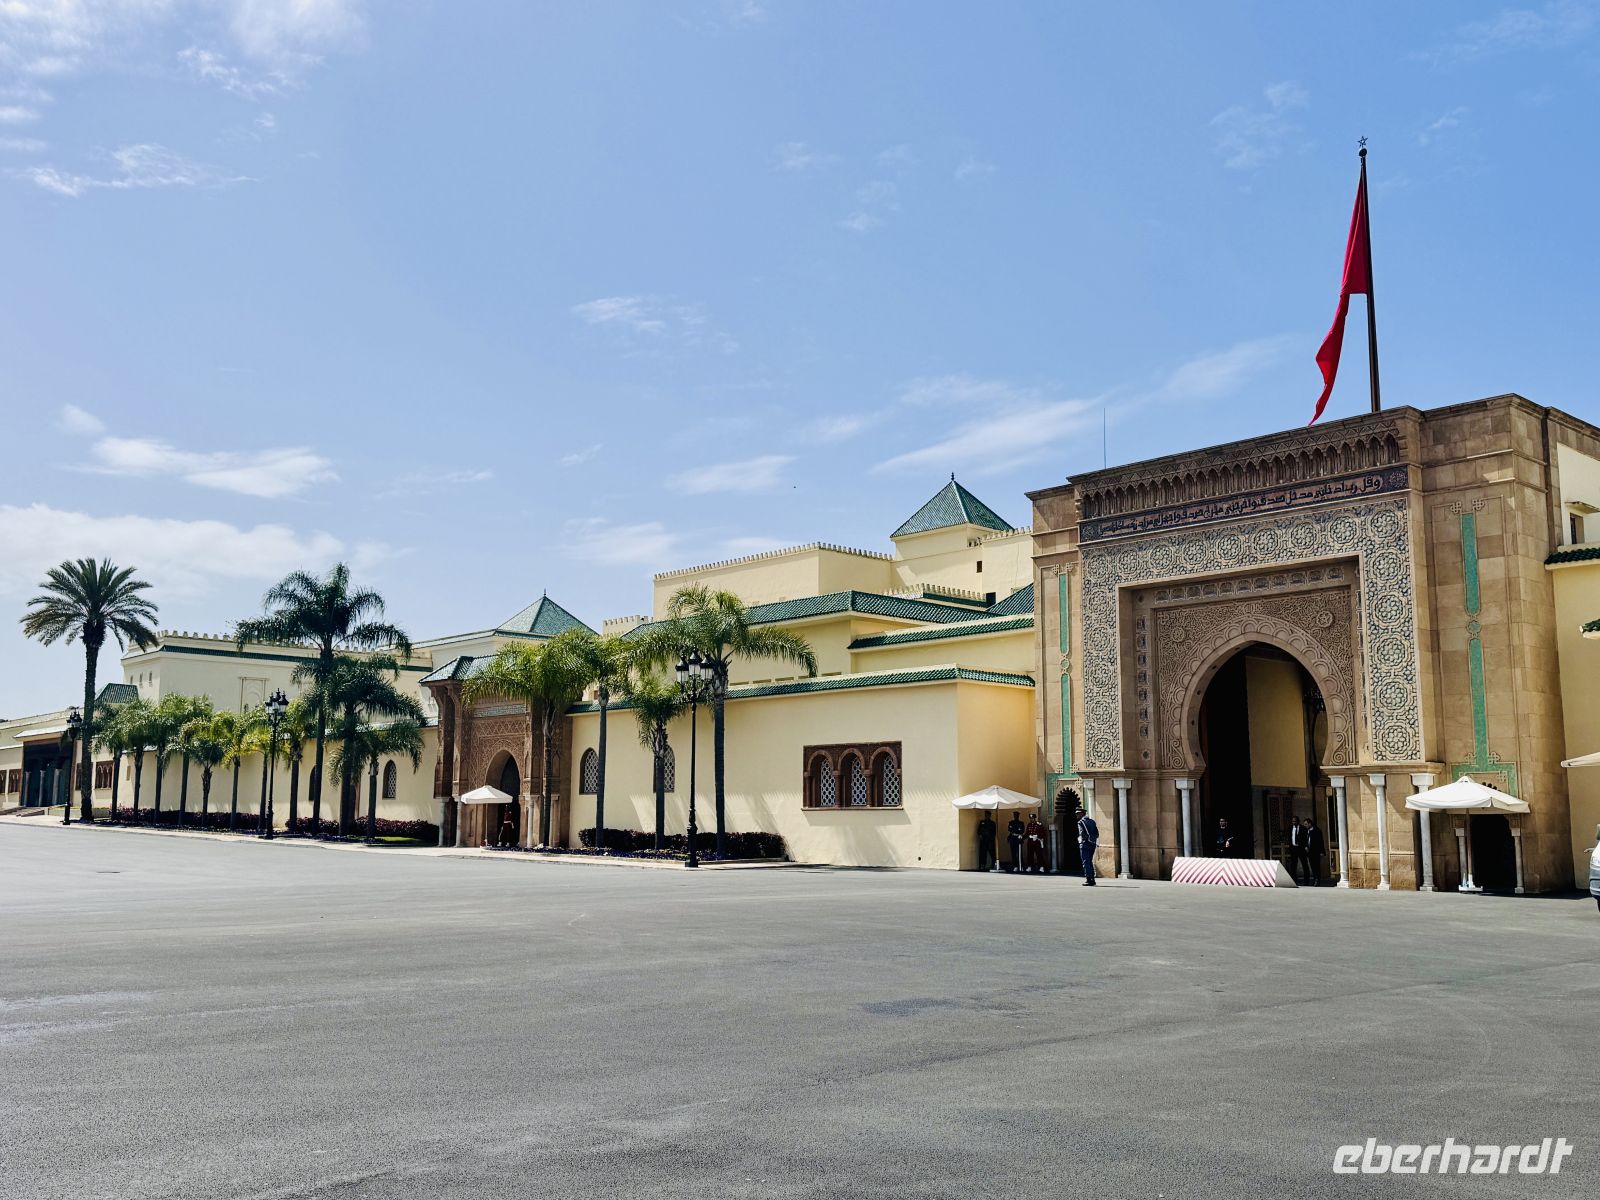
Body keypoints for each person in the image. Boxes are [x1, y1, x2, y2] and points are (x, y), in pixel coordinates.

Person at [1076, 805, 1099, 885]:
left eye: (1078, 813)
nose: (1077, 815)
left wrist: (1081, 839)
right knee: (1090, 861)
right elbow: (1097, 833)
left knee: (1086, 861)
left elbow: (1082, 833)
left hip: (1085, 844)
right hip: (1092, 844)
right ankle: (1092, 879)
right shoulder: (1092, 821)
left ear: (1082, 814)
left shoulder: (1080, 822)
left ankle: (1088, 879)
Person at [1303, 817, 1325, 885]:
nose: (1305, 826)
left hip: (1316, 851)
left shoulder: (1317, 831)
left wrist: (1322, 851)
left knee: (1316, 866)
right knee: (1312, 866)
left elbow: (1321, 841)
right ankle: (1315, 879)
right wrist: (1306, 846)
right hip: (1309, 852)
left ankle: (1317, 880)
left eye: (1306, 824)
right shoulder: (1306, 831)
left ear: (1310, 824)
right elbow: (1305, 840)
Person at [1289, 817, 1311, 883]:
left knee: (1304, 864)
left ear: (1298, 821)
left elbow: (1306, 838)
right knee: (1293, 865)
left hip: (1301, 849)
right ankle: (1294, 880)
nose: (1294, 823)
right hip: (1293, 849)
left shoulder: (1303, 828)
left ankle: (1306, 880)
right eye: (1293, 821)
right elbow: (1289, 838)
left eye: (1295, 821)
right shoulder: (1290, 828)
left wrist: (1306, 846)